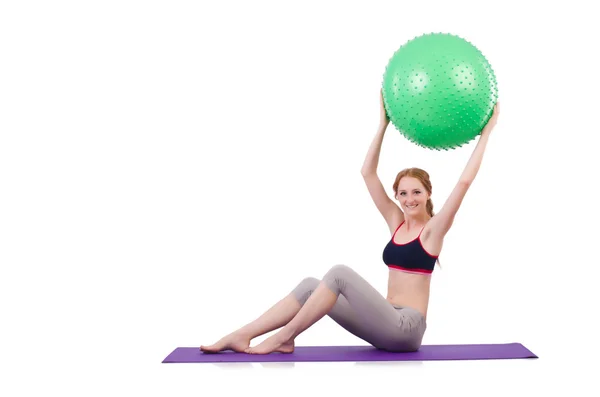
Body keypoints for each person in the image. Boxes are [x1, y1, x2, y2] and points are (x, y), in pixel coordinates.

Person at [200, 90, 500, 354]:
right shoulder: (396, 222)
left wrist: (486, 133)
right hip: (383, 322)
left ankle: (284, 337)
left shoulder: (433, 230)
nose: (410, 199)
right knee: (309, 286)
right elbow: (367, 173)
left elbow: (464, 182)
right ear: (397, 196)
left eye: (417, 192)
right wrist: (382, 124)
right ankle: (242, 335)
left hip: (406, 328)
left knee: (339, 273)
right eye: (403, 193)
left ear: (428, 193)